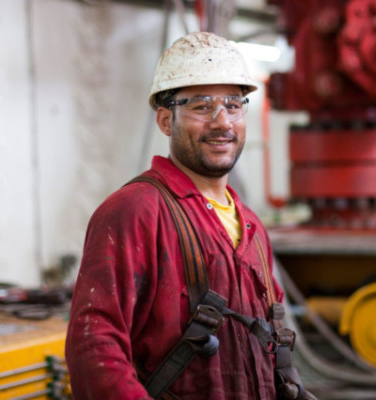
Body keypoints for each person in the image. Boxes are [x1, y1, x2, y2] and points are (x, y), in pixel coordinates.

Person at [65, 32, 313, 400]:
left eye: (233, 104)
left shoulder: (253, 228)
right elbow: (94, 346)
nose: (222, 122)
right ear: (166, 121)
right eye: (201, 106)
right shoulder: (136, 211)